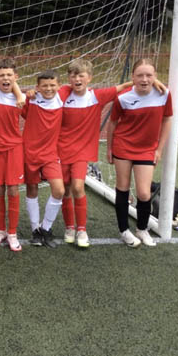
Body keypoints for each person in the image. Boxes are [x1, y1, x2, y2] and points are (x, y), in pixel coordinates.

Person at [56, 59, 166, 248]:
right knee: (65, 189)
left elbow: (123, 86)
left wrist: (154, 81)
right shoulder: (63, 94)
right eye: (73, 75)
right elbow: (45, 93)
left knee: (78, 187)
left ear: (89, 78)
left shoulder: (97, 96)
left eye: (81, 75)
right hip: (61, 150)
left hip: (82, 152)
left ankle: (82, 229)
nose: (77, 78)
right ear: (68, 79)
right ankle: (69, 227)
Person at [106, 58, 172, 247]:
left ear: (155, 76)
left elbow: (167, 120)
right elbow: (112, 123)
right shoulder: (123, 97)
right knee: (123, 189)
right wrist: (110, 148)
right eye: (140, 75)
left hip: (146, 149)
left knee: (144, 193)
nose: (144, 79)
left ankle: (142, 229)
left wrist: (159, 149)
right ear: (133, 77)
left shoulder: (164, 94)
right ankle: (124, 231)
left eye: (149, 75)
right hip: (123, 146)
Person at [0, 58, 25, 251]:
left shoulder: (22, 99)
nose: (5, 78)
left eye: (9, 75)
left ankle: (12, 232)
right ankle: (1, 230)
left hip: (14, 149)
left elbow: (35, 118)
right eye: (2, 75)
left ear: (15, 77)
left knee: (13, 189)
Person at [22, 70, 66, 248]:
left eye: (52, 85)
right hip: (29, 153)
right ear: (37, 88)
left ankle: (46, 228)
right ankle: (35, 230)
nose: (48, 89)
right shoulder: (30, 100)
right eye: (44, 86)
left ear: (59, 86)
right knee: (32, 189)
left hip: (50, 155)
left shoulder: (63, 98)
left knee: (59, 190)